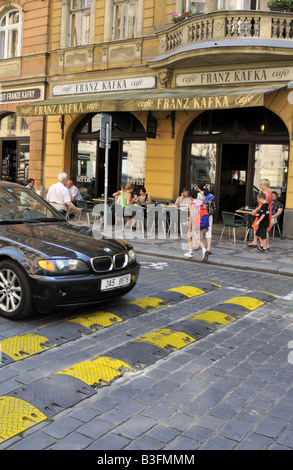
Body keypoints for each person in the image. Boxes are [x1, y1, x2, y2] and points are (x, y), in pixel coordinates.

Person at [184, 189, 209, 262]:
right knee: (198, 238)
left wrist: (189, 228)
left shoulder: (191, 205)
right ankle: (202, 250)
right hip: (201, 222)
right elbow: (204, 213)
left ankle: (192, 252)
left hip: (195, 222)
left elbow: (191, 216)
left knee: (190, 236)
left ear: (190, 197)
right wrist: (206, 226)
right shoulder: (202, 203)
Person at [248, 178, 272, 248]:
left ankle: (264, 245)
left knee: (262, 228)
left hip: (263, 211)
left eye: (261, 184)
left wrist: (256, 210)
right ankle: (258, 242)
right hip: (266, 211)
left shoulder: (265, 193)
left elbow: (263, 204)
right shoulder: (268, 192)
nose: (260, 186)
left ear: (263, 185)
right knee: (259, 227)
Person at [197, 181, 215, 255]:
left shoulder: (199, 195)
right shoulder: (210, 195)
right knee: (208, 230)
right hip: (209, 215)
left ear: (199, 188)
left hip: (202, 215)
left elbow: (198, 206)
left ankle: (201, 247)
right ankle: (209, 248)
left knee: (199, 230)